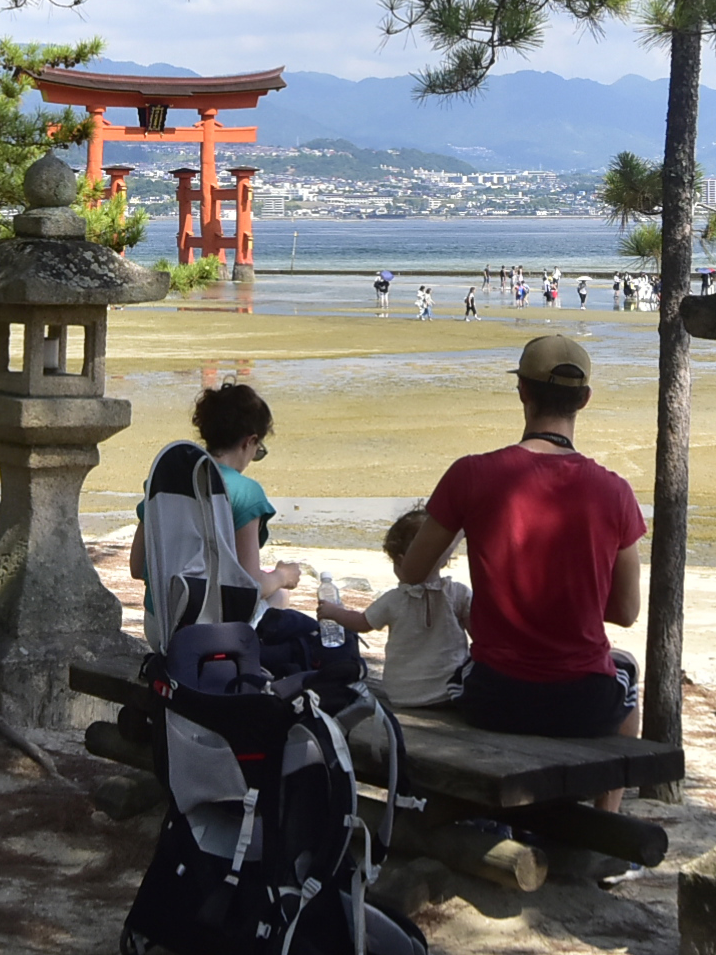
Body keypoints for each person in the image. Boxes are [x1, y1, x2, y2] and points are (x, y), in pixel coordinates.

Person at [392, 335, 643, 811]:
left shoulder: (470, 474)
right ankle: (606, 822)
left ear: (522, 392)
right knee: (628, 669)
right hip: (582, 700)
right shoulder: (615, 491)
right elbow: (626, 611)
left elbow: (412, 572)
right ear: (585, 400)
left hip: (496, 695)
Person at [130, 382, 301, 619]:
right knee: (279, 595)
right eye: (257, 449)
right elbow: (252, 585)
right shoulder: (246, 493)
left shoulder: (163, 483)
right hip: (214, 631)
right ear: (248, 442)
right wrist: (283, 576)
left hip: (160, 625)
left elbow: (138, 567)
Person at [318, 507, 472, 709]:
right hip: (448, 690)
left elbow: (362, 623)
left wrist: (334, 612)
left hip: (403, 692)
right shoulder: (457, 593)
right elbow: (479, 634)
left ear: (401, 561)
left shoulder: (394, 600)